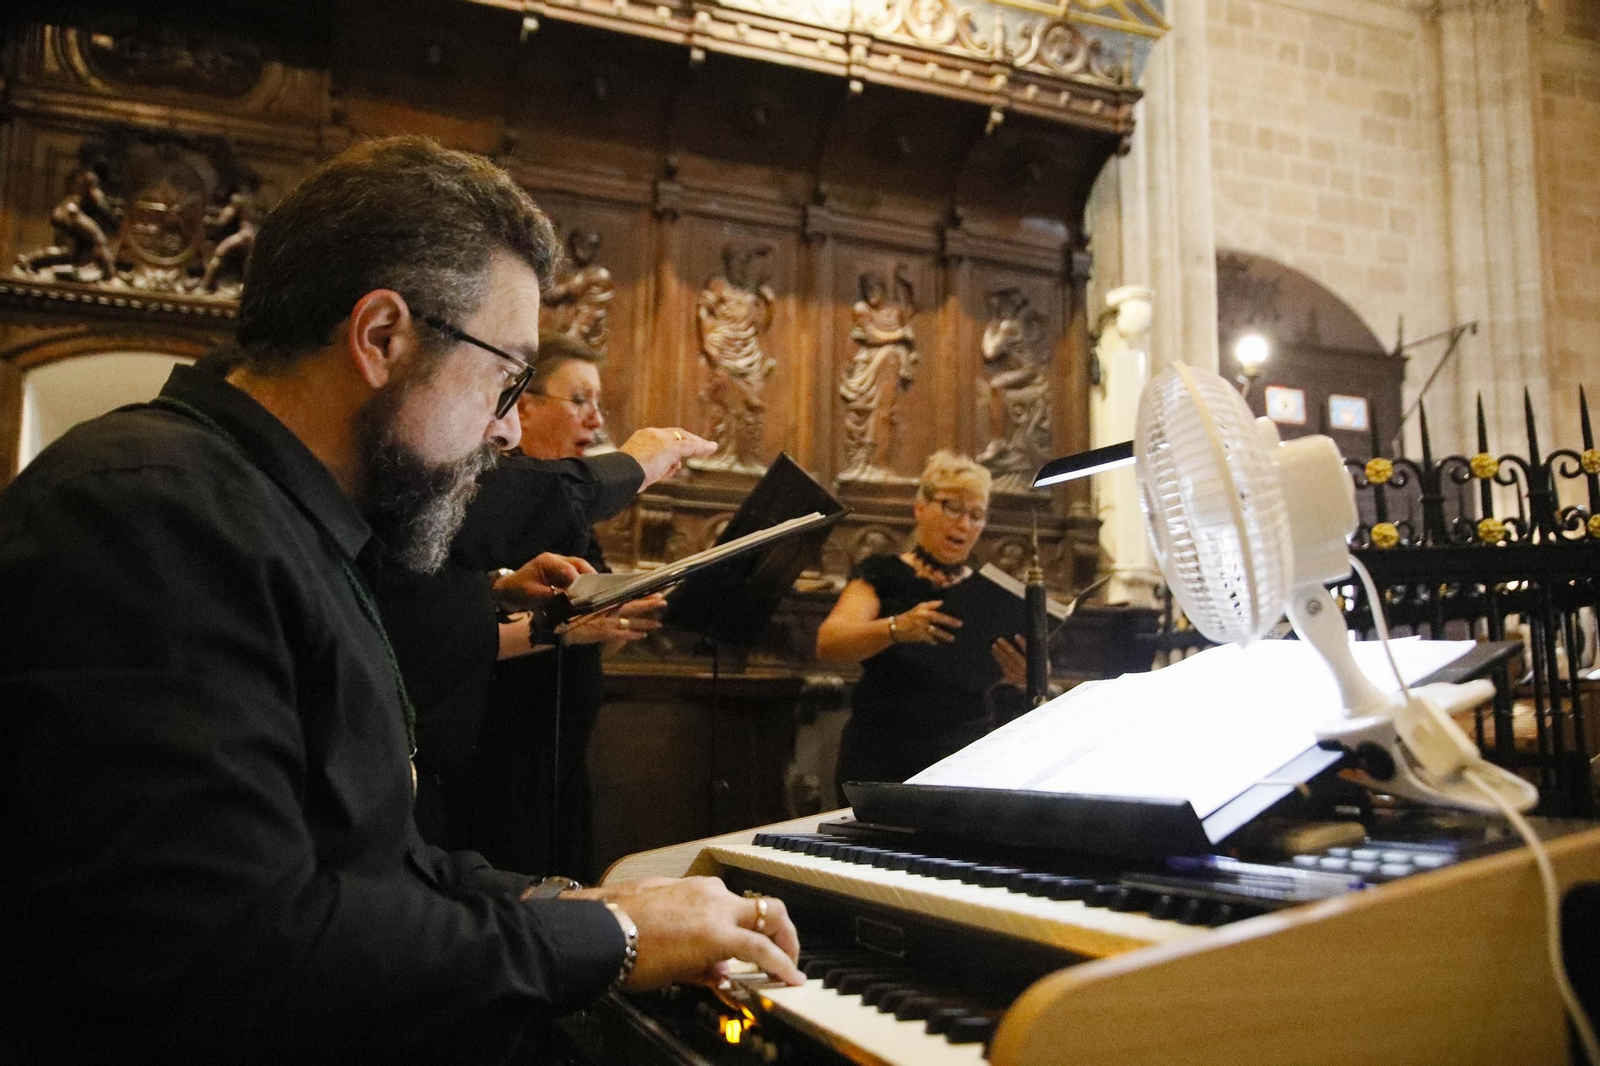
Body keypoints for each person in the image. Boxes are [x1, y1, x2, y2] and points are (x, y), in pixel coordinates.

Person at [0, 135, 801, 1066]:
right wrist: (611, 941)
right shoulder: (143, 508)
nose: (507, 430)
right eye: (507, 378)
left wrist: (580, 905)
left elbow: (374, 856)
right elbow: (234, 955)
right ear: (382, 338)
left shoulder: (294, 525)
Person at [467, 331, 650, 881]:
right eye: (580, 401)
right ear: (523, 404)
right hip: (498, 759)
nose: (596, 421)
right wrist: (568, 628)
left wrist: (618, 616)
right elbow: (459, 624)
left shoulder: (570, 514)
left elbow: (595, 631)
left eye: (598, 403)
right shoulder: (488, 497)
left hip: (562, 757)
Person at [816, 450, 1028, 792]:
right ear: (920, 508)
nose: (964, 524)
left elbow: (1026, 669)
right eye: (952, 508)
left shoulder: (989, 593)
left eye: (976, 515)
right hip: (885, 749)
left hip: (964, 754)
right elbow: (829, 641)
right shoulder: (883, 573)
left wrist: (1022, 674)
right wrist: (897, 627)